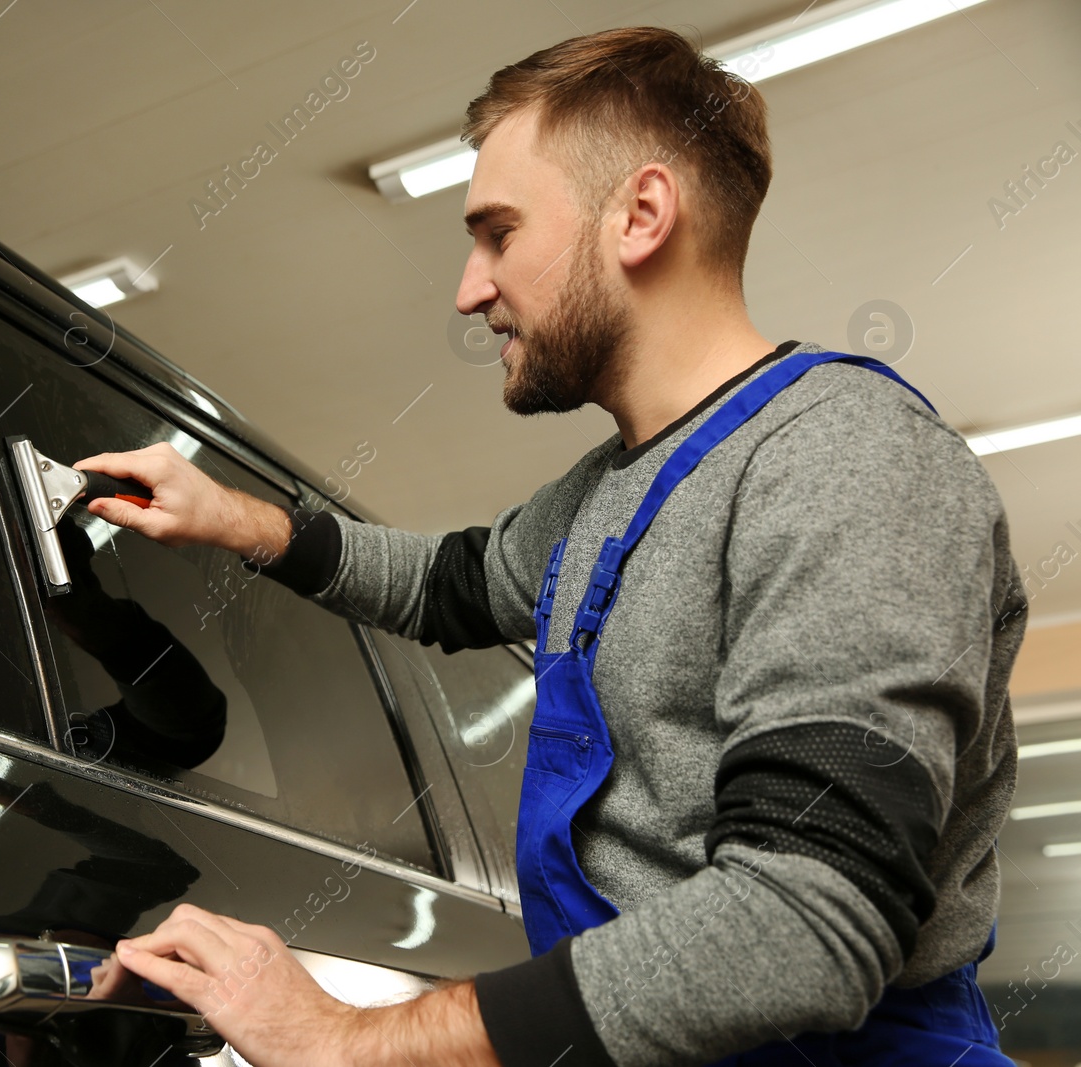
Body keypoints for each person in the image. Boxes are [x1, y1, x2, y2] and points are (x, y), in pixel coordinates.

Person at [70, 24, 1026, 1067]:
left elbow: (805, 921)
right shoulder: (608, 490)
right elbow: (451, 584)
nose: (468, 289)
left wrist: (345, 1037)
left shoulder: (848, 460)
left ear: (641, 215)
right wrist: (234, 518)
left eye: (496, 232)